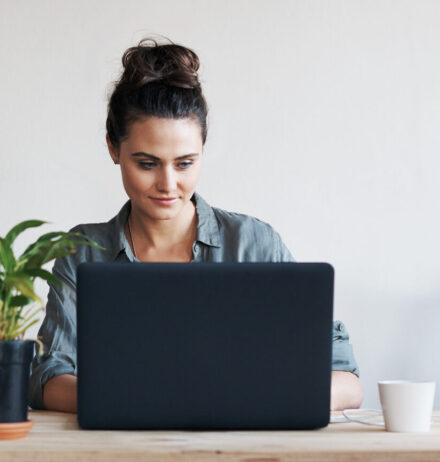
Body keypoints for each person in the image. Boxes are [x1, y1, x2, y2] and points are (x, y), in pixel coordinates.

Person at [28, 38, 363, 413]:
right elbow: (49, 379)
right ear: (113, 148)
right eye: (147, 163)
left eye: (185, 163)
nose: (168, 184)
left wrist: (257, 398)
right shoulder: (83, 251)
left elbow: (346, 382)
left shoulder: (254, 244)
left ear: (203, 149)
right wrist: (146, 401)